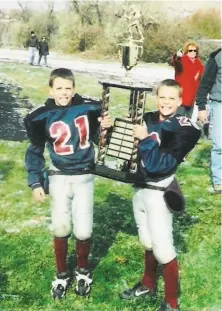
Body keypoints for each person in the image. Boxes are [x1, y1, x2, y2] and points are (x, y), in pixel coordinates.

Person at [24, 68, 112, 299]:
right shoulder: (40, 116)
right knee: (61, 226)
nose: (64, 93)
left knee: (84, 229)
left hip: (84, 175)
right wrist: (35, 182)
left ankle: (83, 270)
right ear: (51, 89)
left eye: (68, 88)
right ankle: (62, 273)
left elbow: (98, 140)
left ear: (74, 89)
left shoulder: (88, 108)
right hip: (59, 175)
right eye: (59, 88)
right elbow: (34, 150)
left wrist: (105, 129)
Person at [119, 79, 201, 311]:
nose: (166, 102)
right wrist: (105, 129)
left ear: (180, 100)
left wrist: (145, 139)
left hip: (159, 190)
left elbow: (158, 165)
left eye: (171, 98)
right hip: (140, 188)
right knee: (146, 240)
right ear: (156, 98)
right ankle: (148, 283)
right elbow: (122, 147)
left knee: (163, 248)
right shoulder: (148, 119)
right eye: (162, 97)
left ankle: (172, 302)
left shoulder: (185, 128)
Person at [196, 48, 221, 194]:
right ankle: (219, 181)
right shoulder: (216, 57)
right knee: (220, 145)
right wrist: (201, 107)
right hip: (219, 104)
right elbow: (204, 84)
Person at [171, 40, 204, 119]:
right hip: (181, 97)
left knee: (189, 123)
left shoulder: (199, 64)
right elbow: (175, 62)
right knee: (178, 120)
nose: (193, 52)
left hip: (192, 98)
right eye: (190, 50)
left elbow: (202, 80)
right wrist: (177, 57)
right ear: (186, 51)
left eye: (195, 50)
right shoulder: (181, 61)